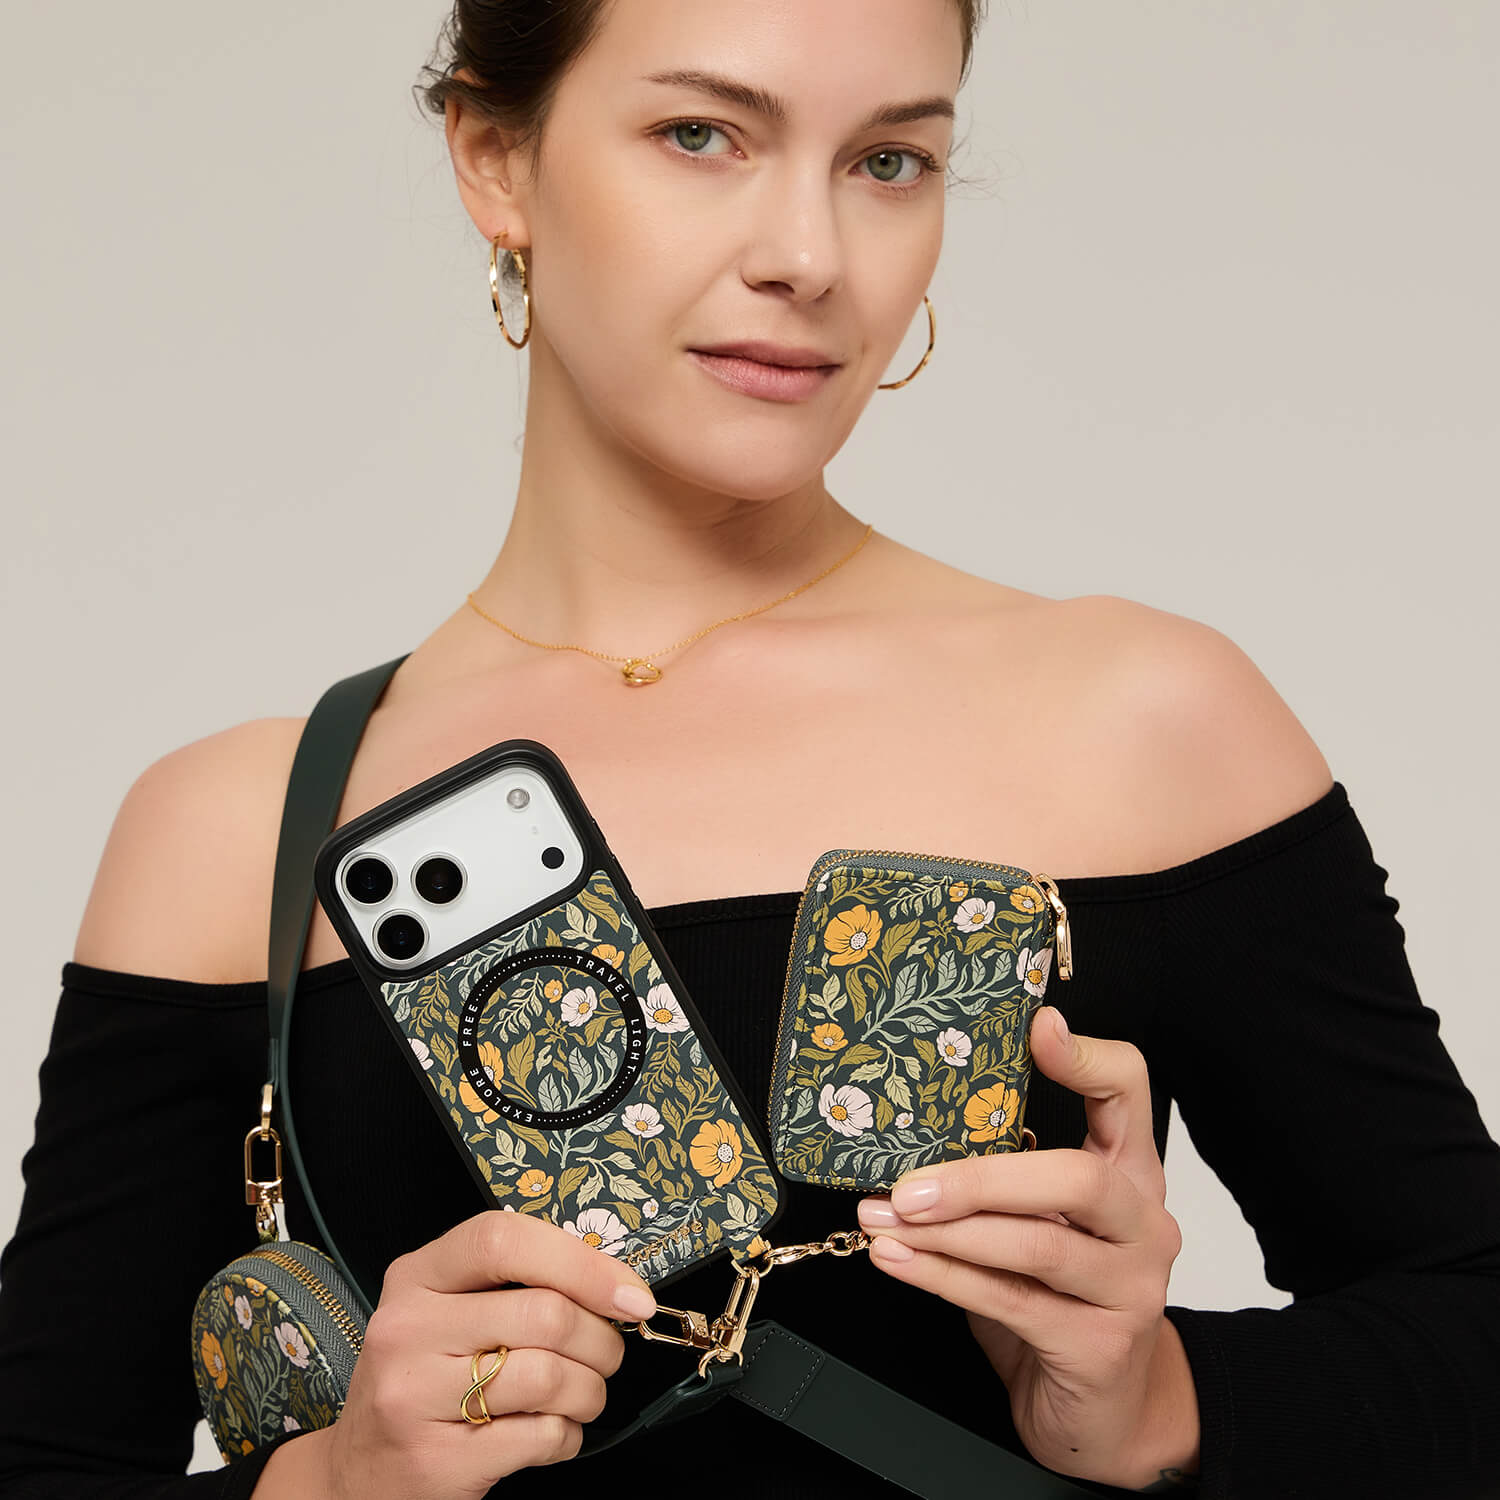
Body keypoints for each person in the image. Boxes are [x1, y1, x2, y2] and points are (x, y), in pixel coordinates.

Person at [2, 1, 1497, 1497]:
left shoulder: (1142, 719)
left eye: (890, 161)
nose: (811, 256)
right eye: (701, 134)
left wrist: (1163, 1403)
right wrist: (330, 1485)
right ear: (496, 158)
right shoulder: (248, 831)